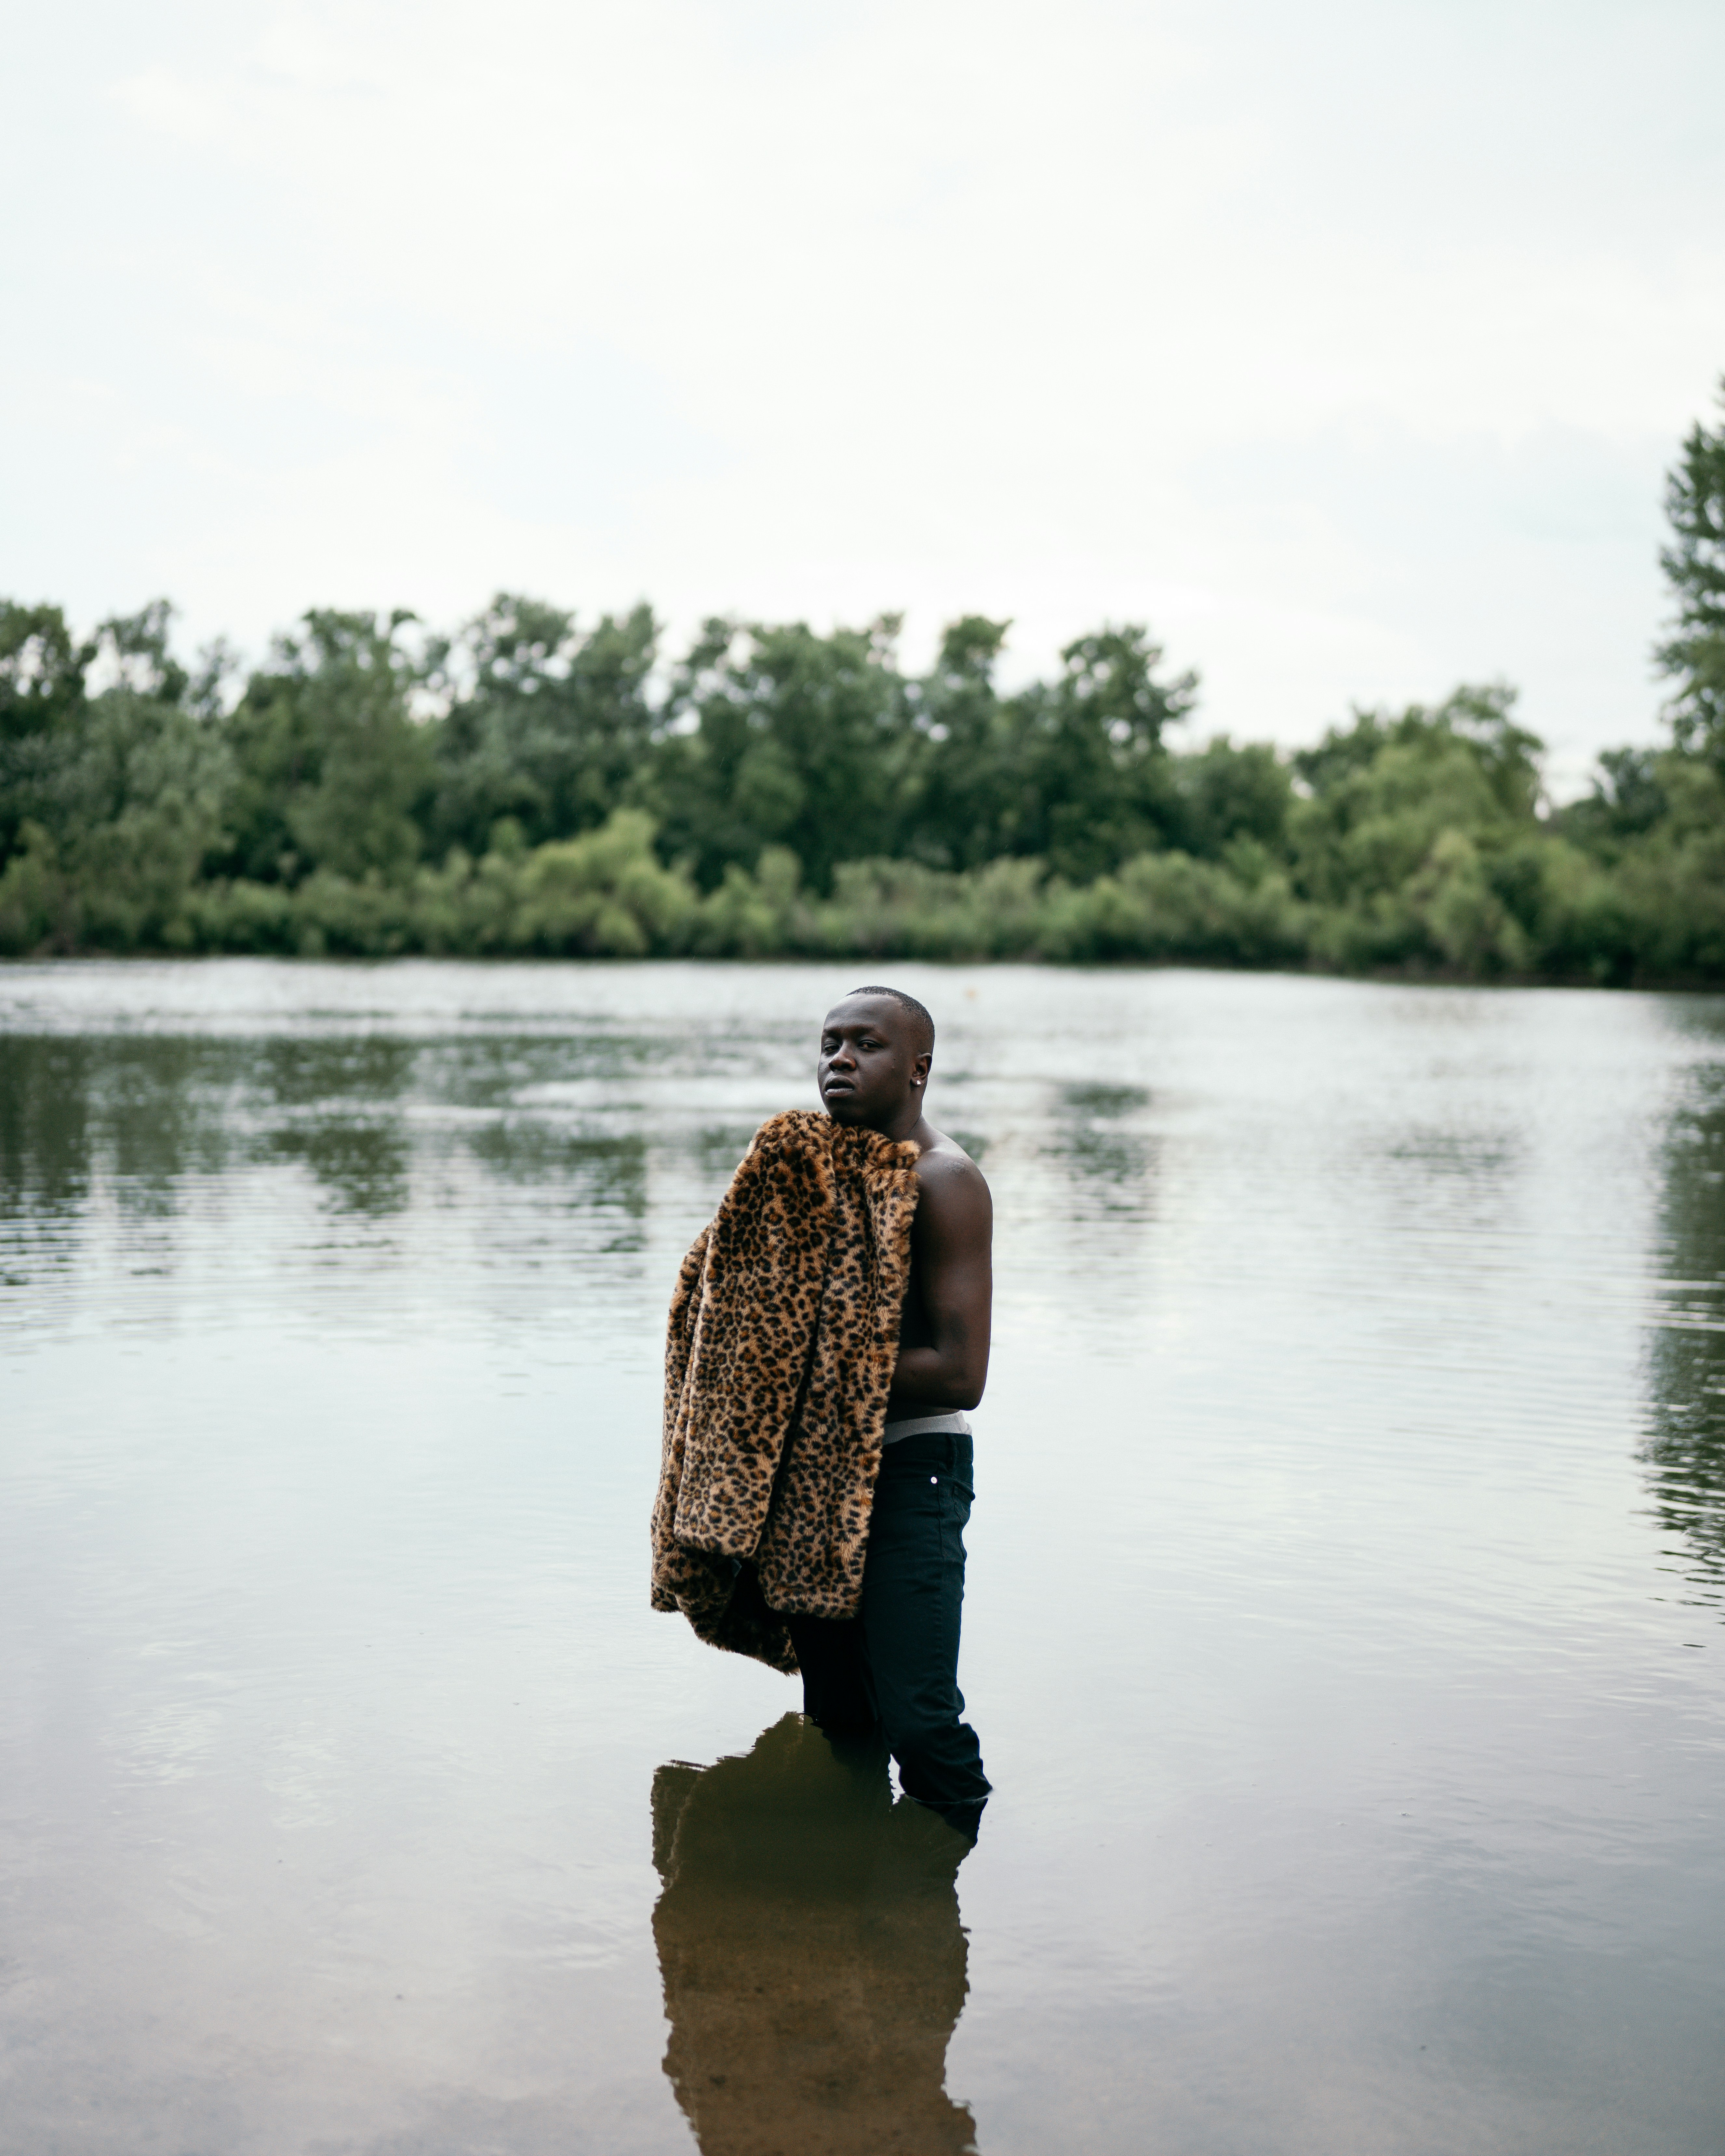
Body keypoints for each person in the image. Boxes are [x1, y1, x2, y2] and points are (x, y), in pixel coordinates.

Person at [784, 985, 994, 1841]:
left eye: (864, 1045)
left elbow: (961, 1373)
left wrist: (813, 1362)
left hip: (913, 1473)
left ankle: (943, 1904)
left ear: (918, 1069)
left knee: (919, 1717)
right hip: (819, 1475)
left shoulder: (946, 1180)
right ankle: (859, 1901)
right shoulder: (812, 1172)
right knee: (838, 1714)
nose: (839, 1059)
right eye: (830, 1043)